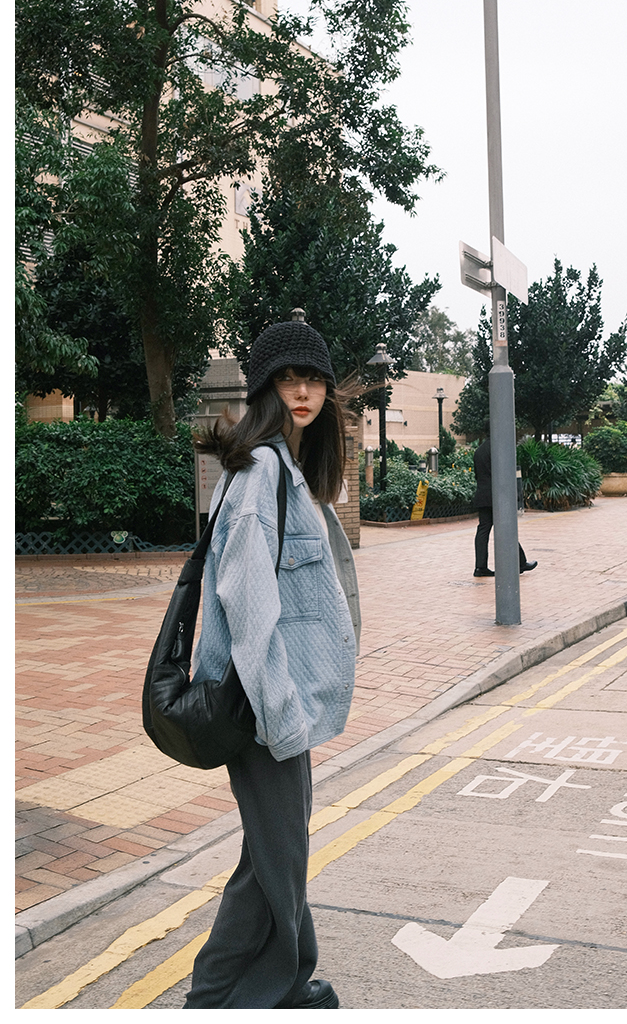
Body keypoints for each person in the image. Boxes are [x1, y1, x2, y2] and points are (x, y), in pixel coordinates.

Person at [184, 321, 360, 1009]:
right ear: (265, 388)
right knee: (275, 855)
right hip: (263, 701)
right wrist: (280, 712)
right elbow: (248, 602)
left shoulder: (287, 470)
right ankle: (211, 997)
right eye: (288, 379)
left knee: (275, 851)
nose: (303, 391)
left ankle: (284, 980)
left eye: (312, 379)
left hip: (281, 698)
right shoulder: (261, 472)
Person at [472, 437, 537, 578]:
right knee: (507, 528)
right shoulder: (498, 448)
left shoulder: (479, 450)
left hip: (483, 494)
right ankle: (521, 562)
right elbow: (504, 473)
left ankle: (480, 567)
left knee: (483, 530)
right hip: (498, 496)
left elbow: (477, 475)